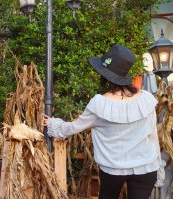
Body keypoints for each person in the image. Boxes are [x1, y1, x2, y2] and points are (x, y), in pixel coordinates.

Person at [43, 44, 163, 199]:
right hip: (146, 168)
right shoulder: (145, 99)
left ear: (104, 75)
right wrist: (158, 167)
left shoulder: (100, 104)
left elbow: (72, 128)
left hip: (114, 170)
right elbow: (153, 137)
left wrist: (53, 124)